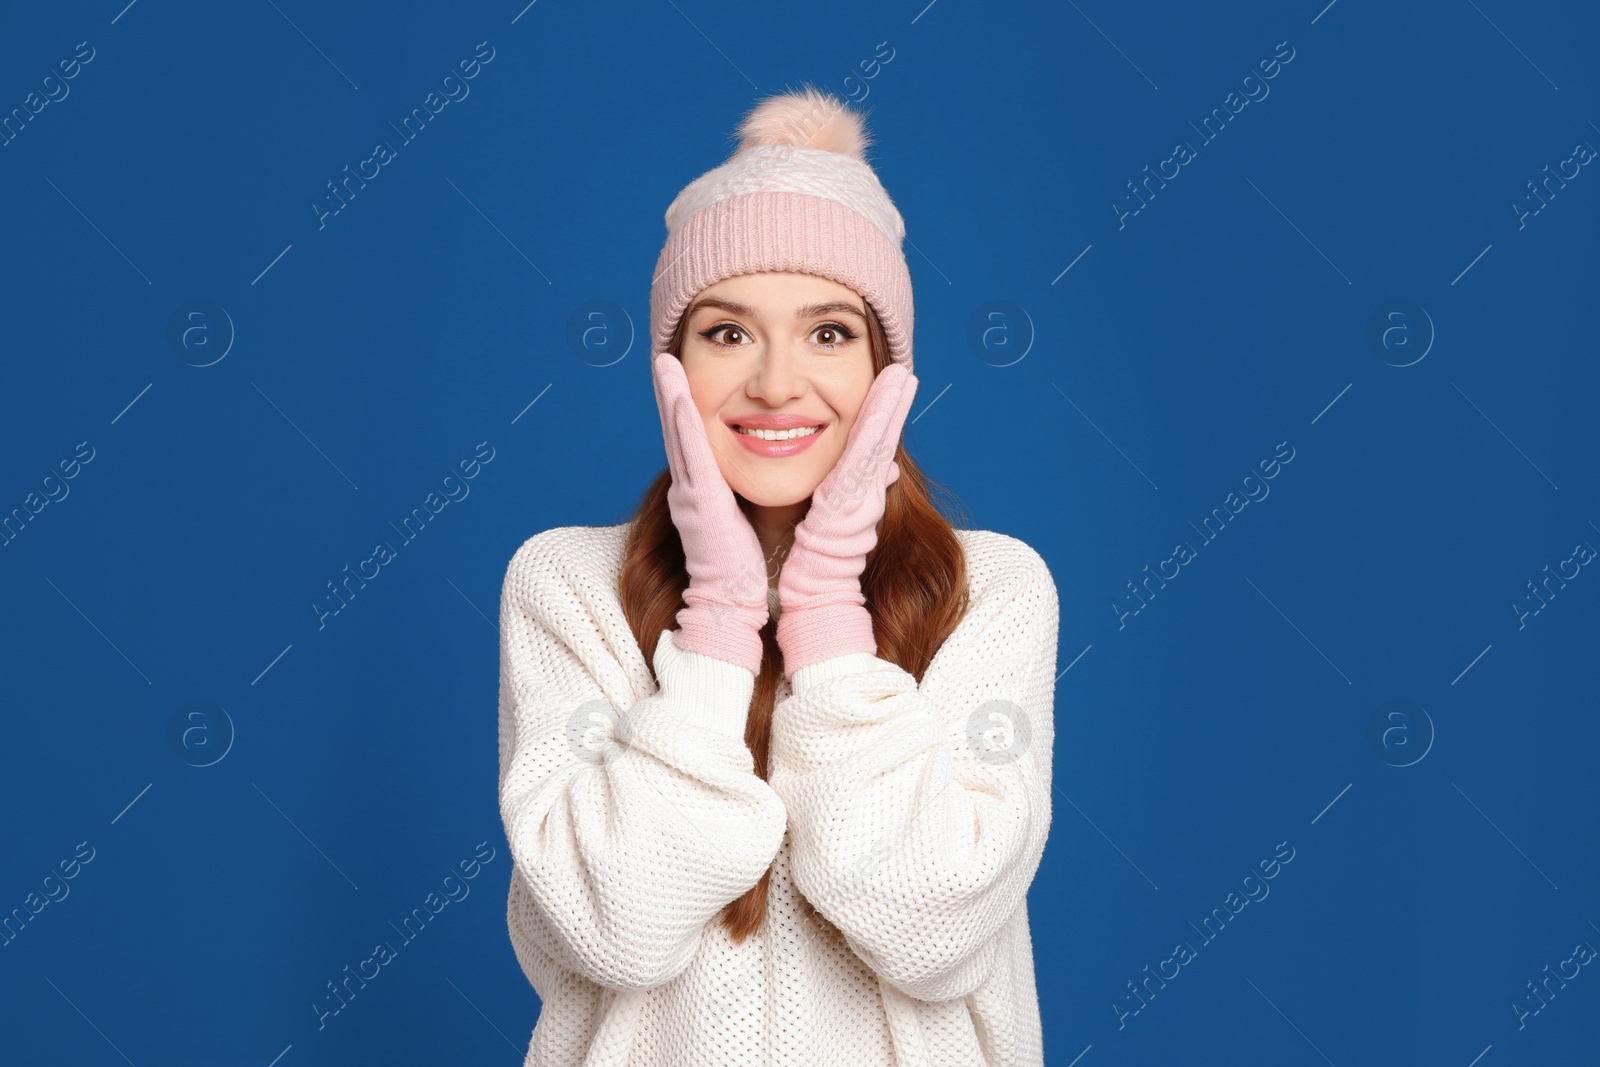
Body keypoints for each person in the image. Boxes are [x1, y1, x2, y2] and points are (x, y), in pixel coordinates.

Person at [497, 85, 1060, 1066]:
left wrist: (825, 616)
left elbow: (932, 927)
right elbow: (614, 926)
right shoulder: (566, 586)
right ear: (671, 365)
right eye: (726, 331)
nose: (774, 381)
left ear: (889, 369)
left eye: (829, 332)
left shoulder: (994, 593)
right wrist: (717, 620)